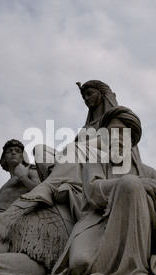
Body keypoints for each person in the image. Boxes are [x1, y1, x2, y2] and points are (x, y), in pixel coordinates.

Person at [48, 106, 156, 275]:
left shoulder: (149, 172)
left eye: (121, 133)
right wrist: (137, 183)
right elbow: (94, 192)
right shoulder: (94, 163)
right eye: (111, 133)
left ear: (132, 140)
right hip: (98, 224)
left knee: (130, 183)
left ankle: (132, 268)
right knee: (80, 265)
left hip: (135, 230)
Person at [21, 80, 142, 222]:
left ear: (102, 94)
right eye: (84, 96)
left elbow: (109, 141)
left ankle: (49, 187)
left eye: (90, 94)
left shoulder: (113, 118)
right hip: (78, 156)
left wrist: (79, 146)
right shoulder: (87, 127)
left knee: (73, 149)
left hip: (103, 159)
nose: (86, 99)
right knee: (40, 149)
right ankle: (59, 179)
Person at [0, 139, 41, 214]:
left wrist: (23, 177)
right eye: (9, 151)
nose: (13, 153)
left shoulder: (30, 171)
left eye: (18, 151)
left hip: (15, 217)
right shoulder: (4, 185)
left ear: (23, 156)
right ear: (4, 157)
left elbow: (41, 192)